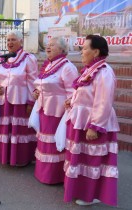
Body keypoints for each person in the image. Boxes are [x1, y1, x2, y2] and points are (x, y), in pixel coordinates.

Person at [63, 35, 119, 206]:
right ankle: (80, 190)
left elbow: (103, 101)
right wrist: (72, 100)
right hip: (81, 121)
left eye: (85, 48)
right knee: (82, 159)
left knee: (92, 160)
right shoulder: (90, 69)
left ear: (95, 51)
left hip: (93, 124)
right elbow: (84, 93)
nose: (82, 52)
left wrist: (95, 126)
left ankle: (92, 195)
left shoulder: (104, 72)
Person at [33, 37, 78, 184]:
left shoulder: (67, 67)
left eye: (52, 45)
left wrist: (69, 105)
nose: (48, 47)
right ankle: (43, 173)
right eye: (47, 45)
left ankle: (55, 176)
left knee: (55, 142)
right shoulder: (48, 65)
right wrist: (36, 91)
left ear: (62, 49)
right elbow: (42, 84)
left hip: (58, 111)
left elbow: (73, 92)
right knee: (44, 141)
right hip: (44, 108)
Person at [0, 30, 38, 166]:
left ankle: (20, 158)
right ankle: (5, 156)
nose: (10, 43)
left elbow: (32, 81)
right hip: (3, 100)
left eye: (13, 40)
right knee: (5, 129)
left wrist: (30, 102)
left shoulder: (28, 58)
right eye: (8, 40)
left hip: (20, 100)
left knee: (19, 130)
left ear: (21, 41)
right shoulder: (2, 58)